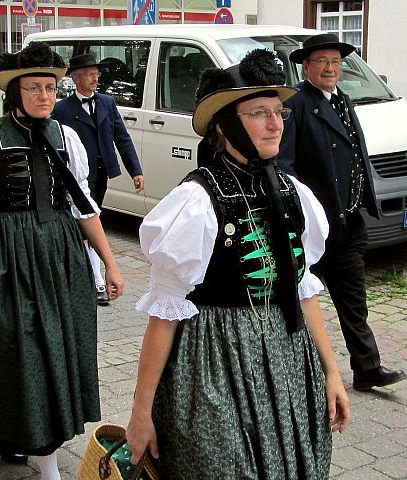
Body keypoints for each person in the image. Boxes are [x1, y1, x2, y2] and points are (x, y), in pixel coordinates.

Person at [126, 49, 350, 479]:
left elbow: (303, 290)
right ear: (226, 125)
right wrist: (141, 412)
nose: (275, 124)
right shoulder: (197, 202)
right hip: (215, 363)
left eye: (278, 112)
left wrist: (331, 373)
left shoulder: (292, 193)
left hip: (286, 361)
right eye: (258, 113)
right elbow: (164, 315)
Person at [0, 41, 124, 480]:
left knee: (54, 347)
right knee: (16, 347)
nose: (45, 96)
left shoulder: (68, 137)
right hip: (5, 254)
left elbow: (84, 208)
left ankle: (40, 442)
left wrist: (110, 262)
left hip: (60, 255)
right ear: (14, 92)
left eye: (51, 88)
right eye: (34, 88)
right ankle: (27, 445)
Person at [279, 33, 406, 391]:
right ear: (306, 66)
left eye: (336, 62)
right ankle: (298, 369)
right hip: (315, 226)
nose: (331, 68)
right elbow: (285, 167)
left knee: (354, 300)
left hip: (348, 220)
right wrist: (299, 218)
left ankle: (367, 368)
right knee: (301, 300)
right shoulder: (296, 104)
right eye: (322, 61)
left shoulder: (343, 100)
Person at [52, 53, 144, 306]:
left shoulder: (106, 102)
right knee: (88, 223)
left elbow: (121, 137)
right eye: (90, 75)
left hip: (101, 173)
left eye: (96, 74)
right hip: (77, 177)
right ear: (76, 79)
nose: (95, 79)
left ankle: (87, 271)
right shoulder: (62, 109)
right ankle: (97, 280)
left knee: (92, 220)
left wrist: (135, 170)